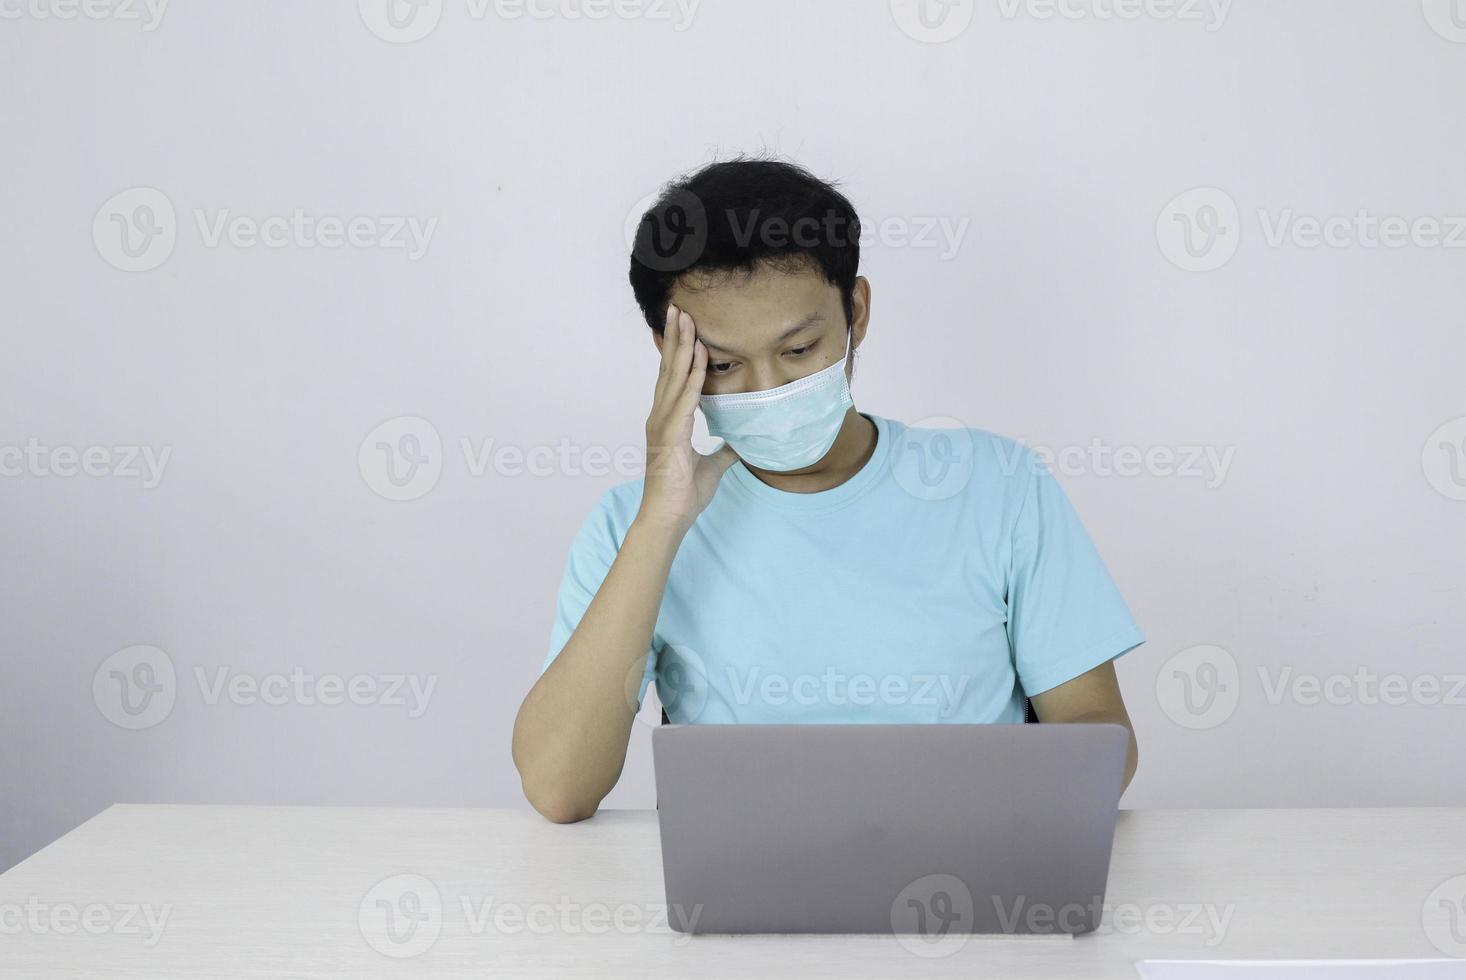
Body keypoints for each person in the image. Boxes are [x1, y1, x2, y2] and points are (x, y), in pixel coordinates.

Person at [512, 156, 1145, 824]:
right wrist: (660, 526)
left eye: (799, 350)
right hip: (742, 895)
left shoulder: (998, 487)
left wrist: (980, 823)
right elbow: (560, 788)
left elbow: (1098, 736)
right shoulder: (628, 528)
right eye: (723, 364)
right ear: (671, 354)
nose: (768, 390)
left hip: (973, 886)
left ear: (856, 312)